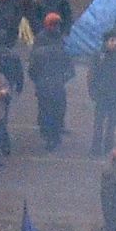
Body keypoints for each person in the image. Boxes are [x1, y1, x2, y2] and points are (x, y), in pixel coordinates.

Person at [27, 11, 73, 150]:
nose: (55, 27)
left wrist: (39, 79)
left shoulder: (46, 42)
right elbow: (69, 68)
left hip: (48, 83)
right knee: (51, 111)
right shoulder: (50, 42)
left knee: (52, 110)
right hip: (52, 83)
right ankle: (51, 135)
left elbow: (32, 68)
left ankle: (51, 135)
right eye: (54, 24)